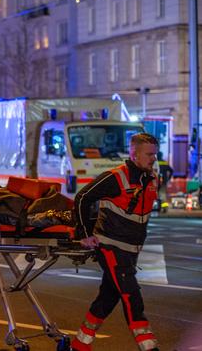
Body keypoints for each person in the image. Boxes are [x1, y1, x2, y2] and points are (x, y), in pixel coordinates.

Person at [72, 133, 160, 351]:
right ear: (134, 153)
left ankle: (80, 344)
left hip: (131, 250)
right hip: (111, 246)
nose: (153, 159)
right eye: (149, 154)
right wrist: (84, 233)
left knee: (108, 297)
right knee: (132, 297)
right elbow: (82, 197)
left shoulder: (150, 178)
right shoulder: (115, 177)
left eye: (155, 154)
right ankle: (149, 348)